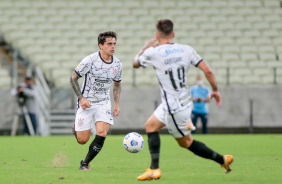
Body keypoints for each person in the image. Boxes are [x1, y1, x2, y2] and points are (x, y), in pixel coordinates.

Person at [132, 19, 233, 181]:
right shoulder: (186, 49)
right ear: (173, 34)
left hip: (174, 107)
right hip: (184, 100)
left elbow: (135, 63)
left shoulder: (153, 52)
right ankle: (154, 168)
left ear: (157, 35)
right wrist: (215, 90)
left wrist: (146, 47)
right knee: (150, 126)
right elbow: (207, 71)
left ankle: (222, 159)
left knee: (186, 143)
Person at [70, 31, 122, 170]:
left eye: (114, 44)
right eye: (109, 44)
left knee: (101, 132)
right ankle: (76, 128)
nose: (113, 47)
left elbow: (117, 84)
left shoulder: (117, 64)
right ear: (100, 45)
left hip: (104, 102)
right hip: (87, 102)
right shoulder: (90, 60)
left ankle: (85, 163)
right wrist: (81, 98)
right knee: (82, 140)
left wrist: (116, 103)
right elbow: (73, 77)